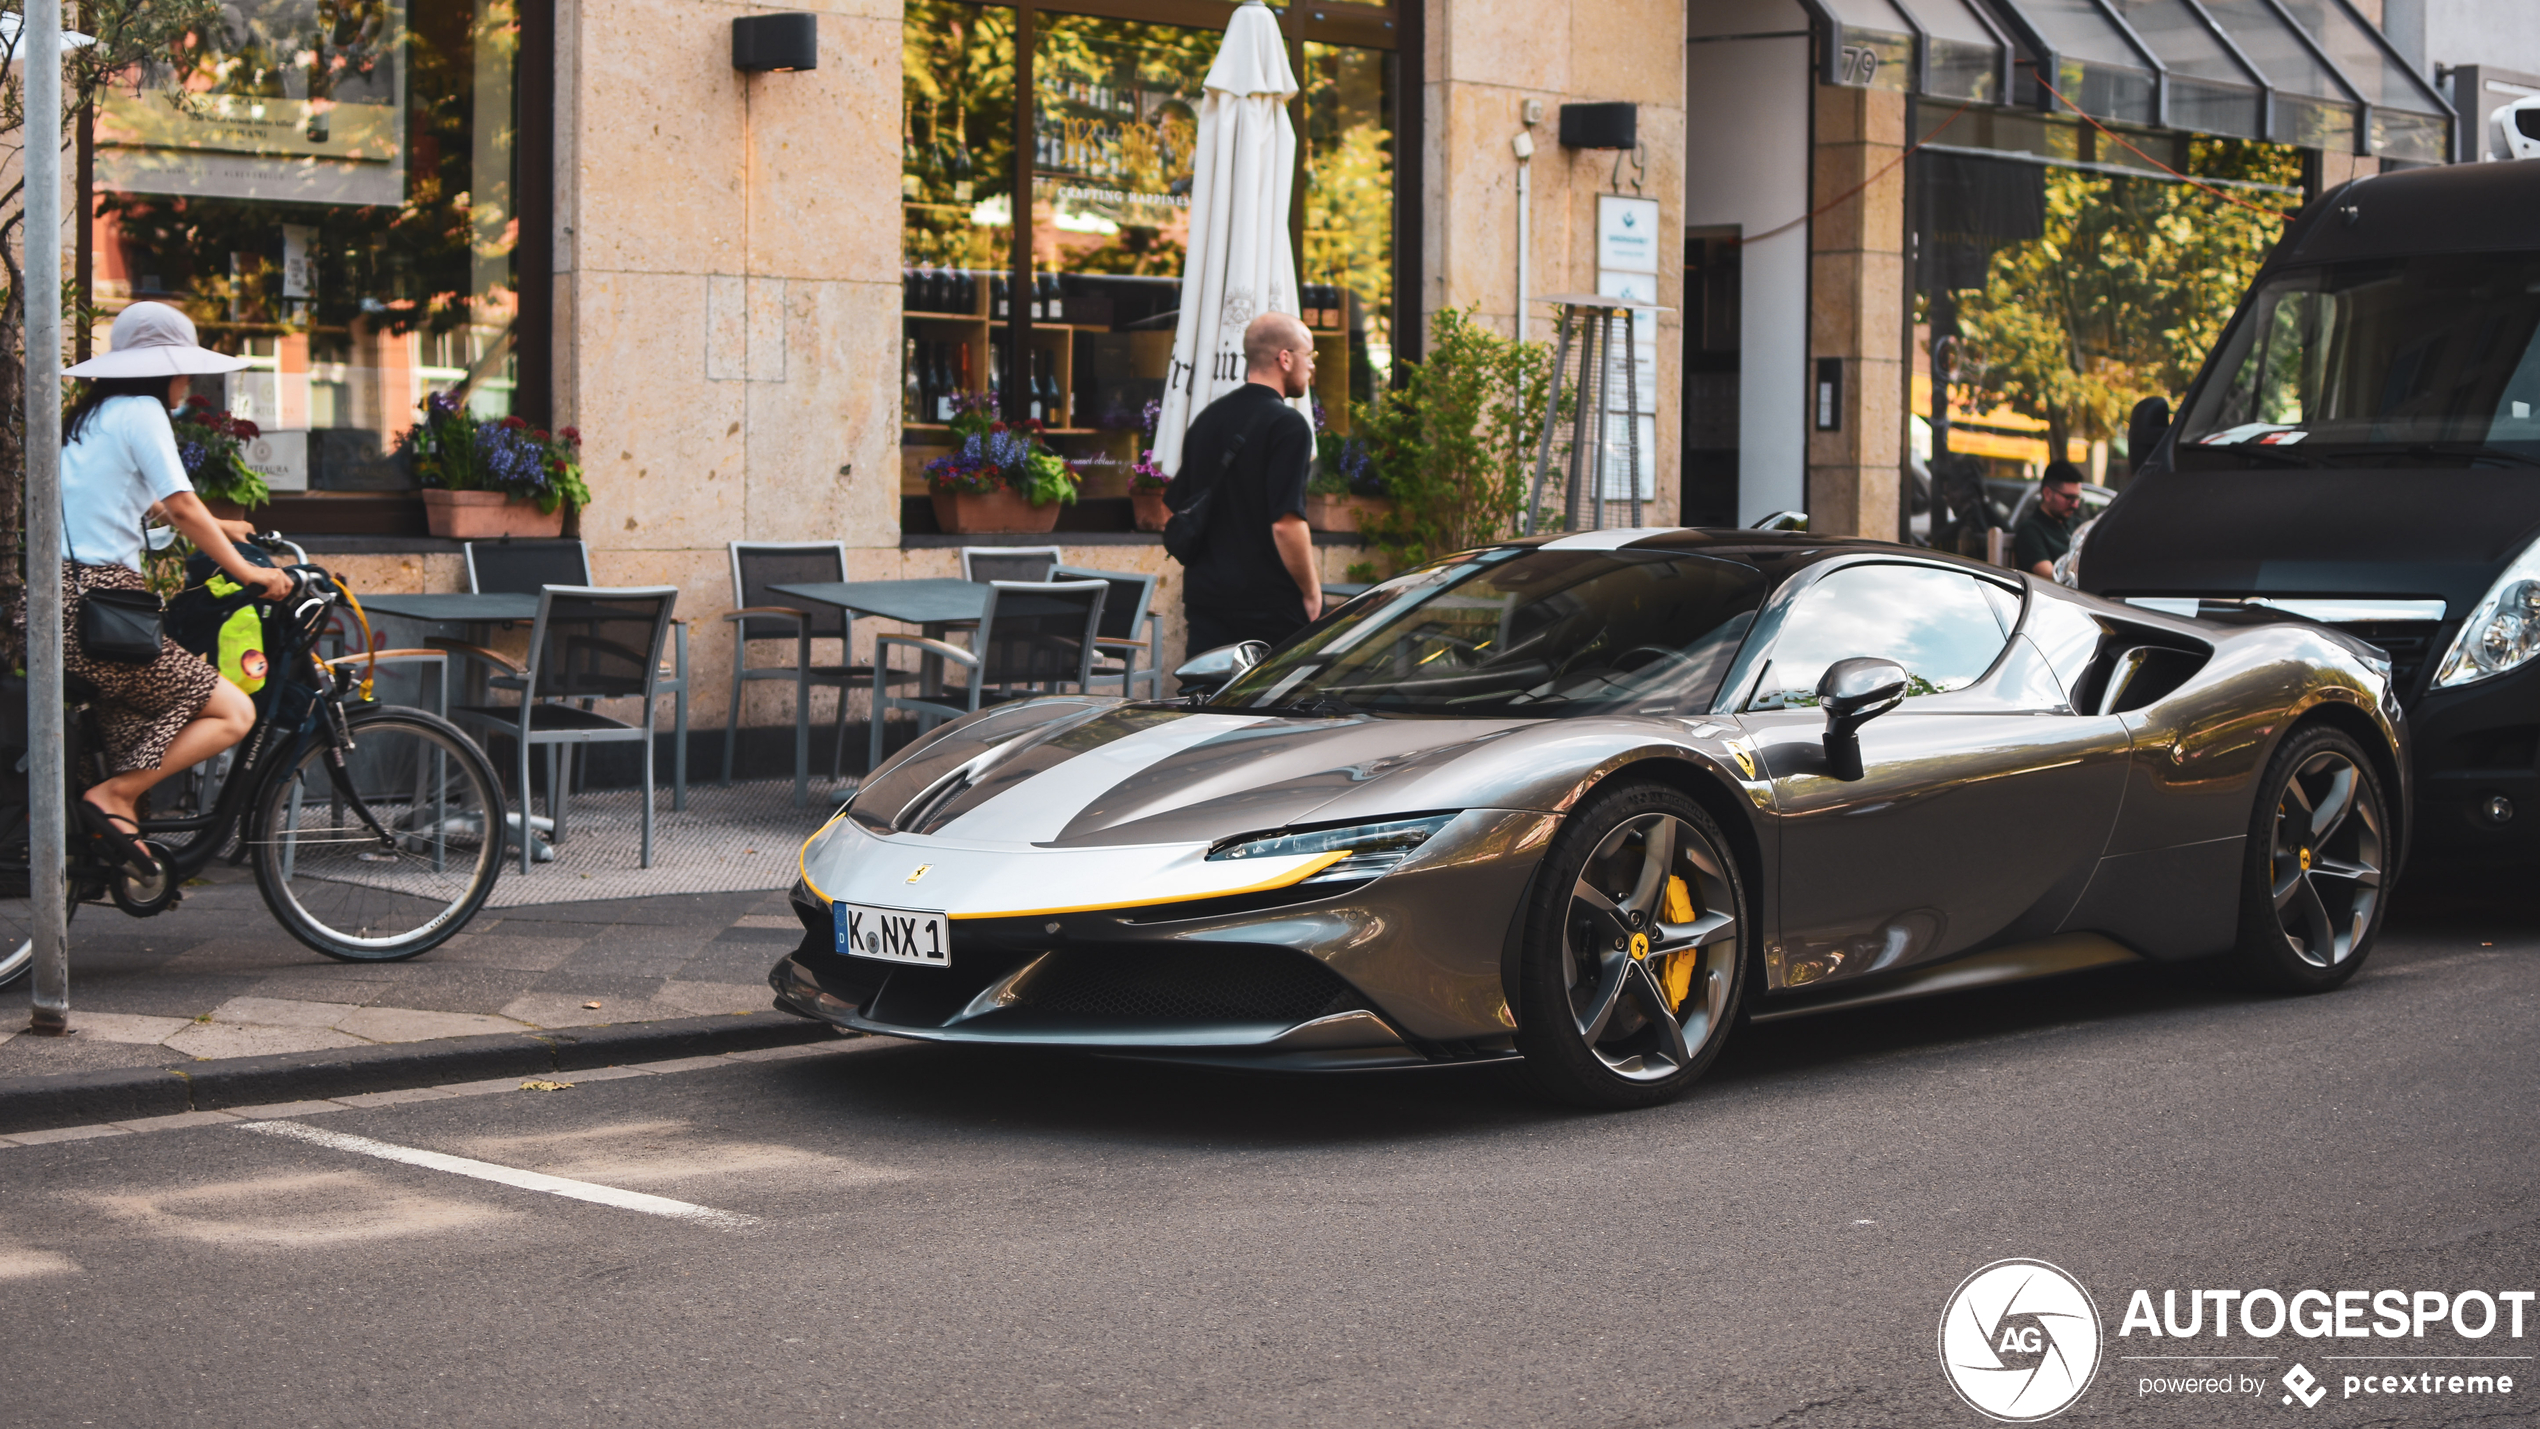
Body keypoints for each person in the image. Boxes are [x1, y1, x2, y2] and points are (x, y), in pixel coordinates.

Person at [12, 302, 296, 873]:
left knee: (130, 743)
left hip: (60, 607)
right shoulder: (143, 410)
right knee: (233, 711)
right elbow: (180, 504)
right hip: (100, 613)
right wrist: (252, 572)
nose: (188, 382)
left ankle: (113, 853)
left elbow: (124, 508)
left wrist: (222, 528)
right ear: (164, 368)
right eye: (184, 368)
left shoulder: (93, 417)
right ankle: (111, 798)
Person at [1167, 311, 1322, 654]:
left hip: (1206, 600)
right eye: (1309, 355)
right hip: (1269, 603)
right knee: (1276, 704)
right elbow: (1286, 525)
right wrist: (1312, 593)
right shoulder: (1289, 426)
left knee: (1207, 700)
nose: (1312, 366)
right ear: (1285, 358)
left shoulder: (1207, 419)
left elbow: (1176, 506)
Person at [2014, 460, 2086, 580]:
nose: (2075, 505)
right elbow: (2051, 577)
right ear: (2047, 494)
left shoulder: (2076, 524)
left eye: (2077, 498)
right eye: (2069, 498)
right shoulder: (2030, 530)